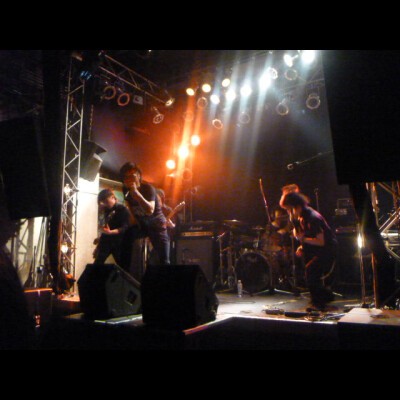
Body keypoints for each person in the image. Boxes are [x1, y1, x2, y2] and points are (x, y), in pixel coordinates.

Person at [280, 191, 338, 311]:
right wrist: (303, 245)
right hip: (319, 250)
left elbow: (321, 241)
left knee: (311, 272)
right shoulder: (302, 217)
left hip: (327, 250)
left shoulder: (312, 218)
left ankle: (321, 301)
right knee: (311, 274)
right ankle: (322, 300)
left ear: (296, 207)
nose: (288, 213)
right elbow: (308, 236)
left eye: (289, 209)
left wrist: (303, 240)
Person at [119, 162, 170, 273]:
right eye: (125, 177)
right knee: (125, 240)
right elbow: (131, 208)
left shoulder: (148, 188)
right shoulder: (125, 189)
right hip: (143, 225)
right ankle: (125, 274)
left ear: (139, 176)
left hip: (157, 225)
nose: (129, 180)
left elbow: (150, 210)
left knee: (164, 260)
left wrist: (136, 194)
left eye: (132, 176)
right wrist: (132, 224)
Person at [93, 188, 133, 267]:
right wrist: (99, 242)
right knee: (97, 264)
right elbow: (107, 228)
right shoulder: (107, 211)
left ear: (113, 198)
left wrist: (111, 232)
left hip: (119, 243)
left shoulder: (122, 209)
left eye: (105, 201)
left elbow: (125, 227)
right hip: (107, 242)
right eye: (102, 202)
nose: (104, 204)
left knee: (122, 266)